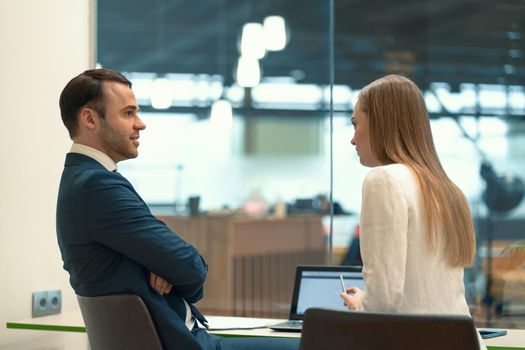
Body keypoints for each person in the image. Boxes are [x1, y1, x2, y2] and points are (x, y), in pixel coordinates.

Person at [56, 68, 299, 350]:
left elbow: (173, 260)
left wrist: (162, 263)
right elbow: (192, 268)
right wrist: (165, 265)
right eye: (128, 113)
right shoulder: (97, 186)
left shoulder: (83, 181)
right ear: (89, 118)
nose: (140, 123)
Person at [340, 75, 484, 347]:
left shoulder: (383, 179)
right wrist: (367, 299)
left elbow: (383, 299)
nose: (353, 139)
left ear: (381, 124)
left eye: (356, 124)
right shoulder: (449, 191)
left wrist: (362, 304)